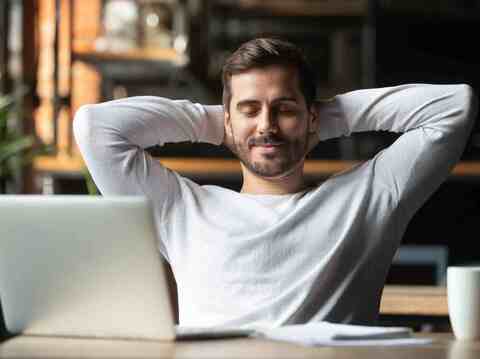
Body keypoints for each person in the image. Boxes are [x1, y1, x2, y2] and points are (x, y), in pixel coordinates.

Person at [74, 38, 476, 328]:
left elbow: (453, 107)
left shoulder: (367, 198)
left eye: (283, 109)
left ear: (312, 118)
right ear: (228, 120)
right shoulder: (179, 208)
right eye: (250, 110)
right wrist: (223, 123)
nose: (266, 126)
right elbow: (96, 128)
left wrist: (318, 117)